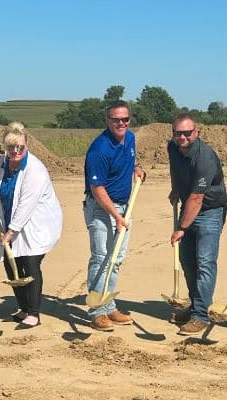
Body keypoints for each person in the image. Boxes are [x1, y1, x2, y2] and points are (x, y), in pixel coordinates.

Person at [0, 122, 63, 329]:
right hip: (13, 219)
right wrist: (0, 210)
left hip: (38, 223)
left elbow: (27, 204)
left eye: (20, 147)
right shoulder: (1, 163)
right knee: (10, 263)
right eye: (11, 147)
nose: (15, 151)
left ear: (26, 145)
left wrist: (11, 231)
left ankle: (34, 313)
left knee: (30, 263)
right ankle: (23, 308)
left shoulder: (35, 170)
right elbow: (5, 190)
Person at [84, 100, 146, 331]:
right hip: (101, 208)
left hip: (124, 207)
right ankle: (97, 311)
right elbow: (97, 189)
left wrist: (135, 169)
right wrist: (116, 217)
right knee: (101, 258)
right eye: (116, 119)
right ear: (107, 120)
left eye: (125, 119)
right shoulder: (99, 150)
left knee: (116, 259)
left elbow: (127, 161)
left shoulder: (130, 138)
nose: (121, 123)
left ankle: (108, 305)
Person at [168, 113, 227, 335]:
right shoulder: (172, 147)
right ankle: (195, 306)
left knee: (204, 263)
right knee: (187, 261)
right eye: (178, 133)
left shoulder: (205, 157)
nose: (182, 137)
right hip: (188, 207)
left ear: (197, 132)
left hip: (210, 211)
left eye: (187, 133)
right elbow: (175, 168)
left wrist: (180, 229)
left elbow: (197, 198)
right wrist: (176, 188)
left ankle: (201, 316)